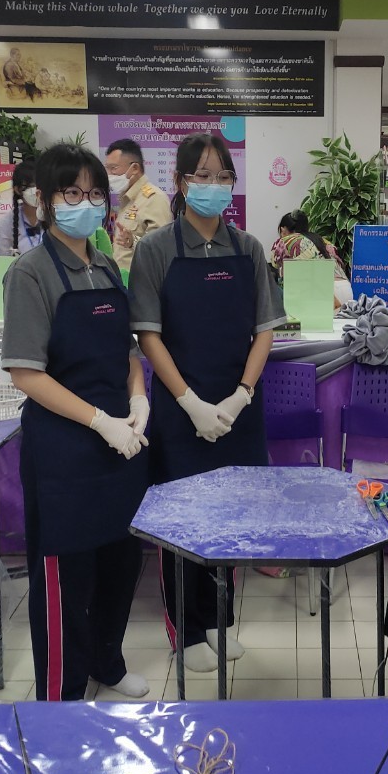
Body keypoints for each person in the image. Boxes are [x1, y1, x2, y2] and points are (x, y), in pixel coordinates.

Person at [129, 133, 285, 674]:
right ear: (180, 182)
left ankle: (219, 619)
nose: (213, 185)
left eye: (223, 176)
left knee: (232, 515)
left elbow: (265, 329)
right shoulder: (155, 249)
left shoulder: (248, 249)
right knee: (183, 520)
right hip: (182, 407)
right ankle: (187, 628)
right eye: (202, 175)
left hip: (239, 405)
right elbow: (148, 335)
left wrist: (242, 395)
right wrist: (190, 402)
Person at [1, 143, 151, 701]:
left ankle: (107, 662)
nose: (84, 203)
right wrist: (98, 421)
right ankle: (61, 694)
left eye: (93, 193)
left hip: (121, 445)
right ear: (45, 200)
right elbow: (25, 373)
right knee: (67, 579)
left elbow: (127, 349)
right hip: (64, 451)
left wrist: (138, 399)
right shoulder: (31, 273)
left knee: (120, 562)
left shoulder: (106, 266)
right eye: (71, 193)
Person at [104, 138, 172, 276]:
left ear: (134, 168)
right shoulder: (127, 200)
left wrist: (133, 242)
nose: (109, 174)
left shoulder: (154, 199)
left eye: (114, 168)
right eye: (107, 169)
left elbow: (162, 248)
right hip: (123, 281)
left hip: (143, 283)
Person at [270, 208, 354, 305]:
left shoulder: (285, 241)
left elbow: (274, 264)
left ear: (282, 229)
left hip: (324, 291)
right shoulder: (321, 240)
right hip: (345, 287)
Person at [10, 161, 45, 255]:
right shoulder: (7, 223)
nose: (35, 190)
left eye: (38, 185)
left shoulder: (53, 218)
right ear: (17, 190)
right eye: (31, 186)